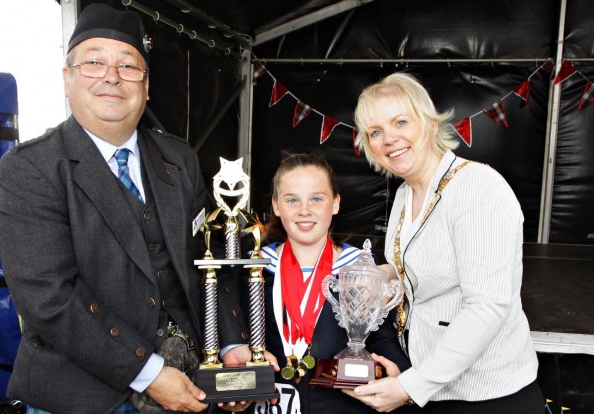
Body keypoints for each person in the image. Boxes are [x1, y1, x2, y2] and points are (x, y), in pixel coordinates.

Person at [0, 3, 259, 413]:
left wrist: (230, 342)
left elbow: (204, 263)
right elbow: (49, 300)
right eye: (94, 62)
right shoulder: (31, 167)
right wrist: (150, 375)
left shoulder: (180, 160)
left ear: (147, 85)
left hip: (185, 380)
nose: (111, 77)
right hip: (82, 396)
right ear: (67, 79)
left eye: (128, 66)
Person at [343, 72, 544, 413]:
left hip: (487, 396)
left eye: (400, 122)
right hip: (432, 387)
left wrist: (411, 386)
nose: (390, 138)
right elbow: (415, 264)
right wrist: (381, 277)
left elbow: (487, 305)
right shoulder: (406, 194)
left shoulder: (478, 187)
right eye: (376, 132)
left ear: (431, 124)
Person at [226, 151, 411, 414]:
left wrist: (399, 373)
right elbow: (236, 338)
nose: (304, 210)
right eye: (292, 200)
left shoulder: (361, 268)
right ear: (277, 206)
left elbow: (381, 339)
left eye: (316, 199)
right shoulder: (254, 269)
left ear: (335, 203)